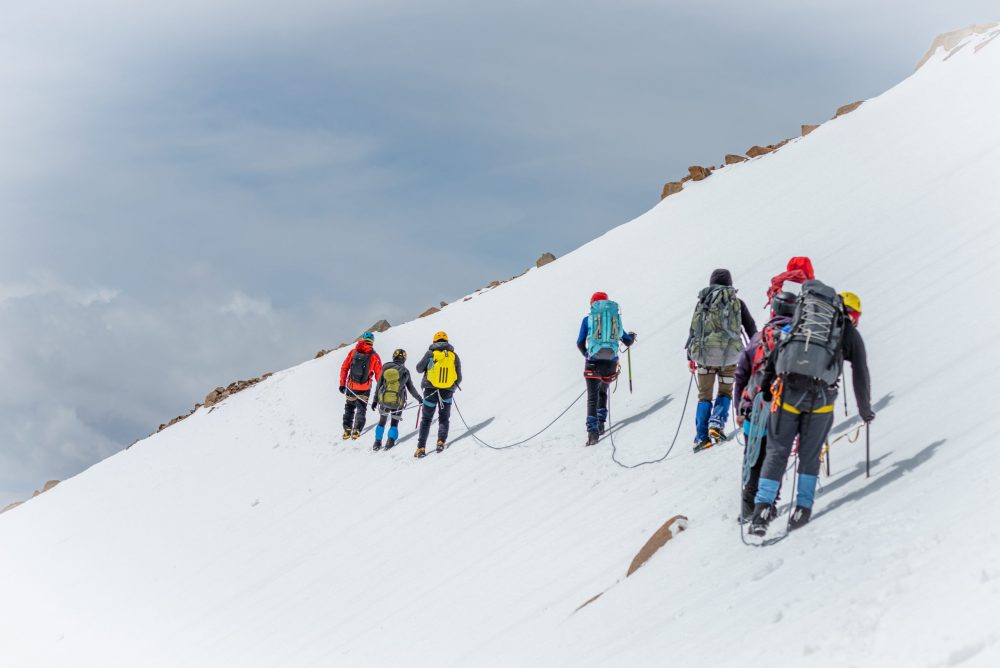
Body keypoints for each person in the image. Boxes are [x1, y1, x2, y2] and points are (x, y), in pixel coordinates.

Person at [749, 282, 874, 536]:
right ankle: (802, 510)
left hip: (786, 393)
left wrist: (765, 386)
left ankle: (762, 509)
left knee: (777, 451)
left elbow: (779, 351)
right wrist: (865, 410)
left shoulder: (803, 319)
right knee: (810, 453)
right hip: (821, 399)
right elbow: (860, 372)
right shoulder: (846, 331)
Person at [733, 290, 796, 520]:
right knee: (775, 457)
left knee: (753, 457)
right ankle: (767, 504)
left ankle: (748, 507)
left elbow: (741, 375)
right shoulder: (798, 338)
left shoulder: (759, 338)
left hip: (753, 409)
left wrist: (739, 409)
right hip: (783, 409)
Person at [685, 269, 758, 451]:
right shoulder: (737, 303)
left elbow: (694, 330)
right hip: (730, 357)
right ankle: (717, 424)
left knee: (704, 396)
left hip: (704, 357)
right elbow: (751, 328)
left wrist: (690, 356)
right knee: (725, 391)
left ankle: (701, 437)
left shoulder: (702, 302)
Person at [576, 291, 636, 446]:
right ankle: (601, 423)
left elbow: (580, 343)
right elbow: (627, 341)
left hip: (593, 362)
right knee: (603, 392)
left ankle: (592, 433)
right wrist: (631, 337)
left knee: (592, 397)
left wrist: (587, 355)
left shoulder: (587, 320)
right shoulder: (613, 319)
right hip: (610, 363)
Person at [414, 331, 463, 458]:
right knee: (444, 418)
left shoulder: (430, 353)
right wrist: (451, 388)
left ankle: (421, 448)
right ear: (447, 341)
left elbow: (419, 369)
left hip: (430, 391)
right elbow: (459, 378)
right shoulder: (453, 356)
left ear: (434, 341)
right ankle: (441, 442)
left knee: (426, 420)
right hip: (446, 392)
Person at [370, 348, 422, 451]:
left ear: (394, 357)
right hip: (398, 402)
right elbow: (411, 388)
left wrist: (375, 400)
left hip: (384, 401)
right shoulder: (405, 372)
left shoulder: (385, 367)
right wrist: (420, 399)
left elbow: (379, 384)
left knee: (382, 421)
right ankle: (390, 441)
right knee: (394, 423)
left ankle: (377, 442)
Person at [338, 332, 383, 440]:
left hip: (351, 386)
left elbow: (344, 368)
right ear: (372, 342)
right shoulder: (374, 356)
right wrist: (381, 391)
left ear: (363, 339)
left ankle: (347, 428)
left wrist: (342, 384)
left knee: (349, 407)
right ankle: (357, 429)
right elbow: (379, 375)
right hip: (365, 388)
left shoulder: (353, 352)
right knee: (361, 409)